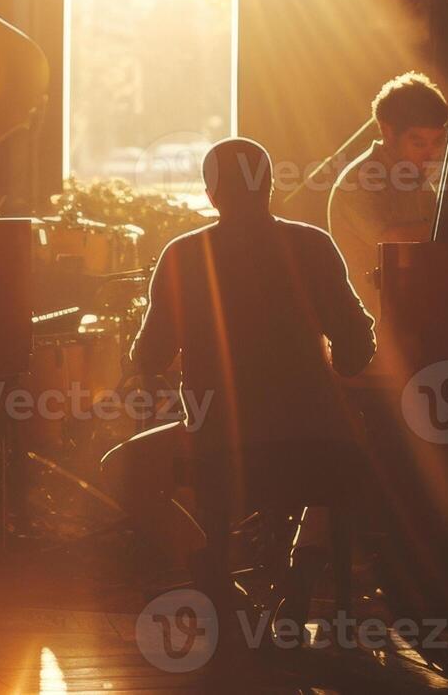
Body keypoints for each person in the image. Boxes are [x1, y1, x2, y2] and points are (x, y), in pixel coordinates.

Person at [115, 137, 376, 610]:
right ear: (270, 186)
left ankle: (215, 581)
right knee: (344, 439)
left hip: (220, 448)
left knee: (122, 471)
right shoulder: (313, 244)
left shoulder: (183, 254)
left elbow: (148, 358)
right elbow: (357, 347)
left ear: (211, 192)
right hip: (312, 443)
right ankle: (304, 569)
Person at [326, 71, 448, 316]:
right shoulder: (358, 181)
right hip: (376, 329)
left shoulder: (419, 177)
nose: (431, 153)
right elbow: (392, 239)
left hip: (412, 318)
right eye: (419, 143)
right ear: (387, 131)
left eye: (436, 142)